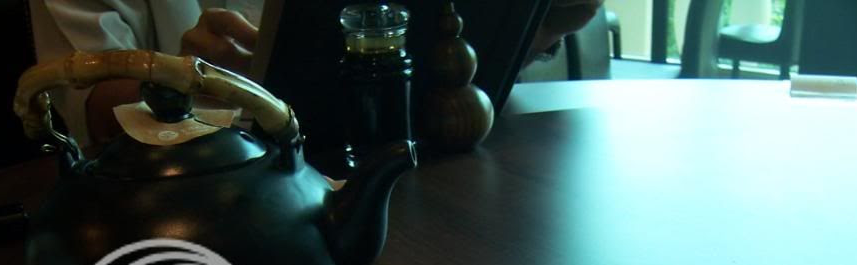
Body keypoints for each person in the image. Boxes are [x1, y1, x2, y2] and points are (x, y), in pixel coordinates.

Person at [30, 0, 603, 146]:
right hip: (217, 213)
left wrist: (538, 27)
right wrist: (197, 85)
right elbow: (83, 103)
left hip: (412, 166)